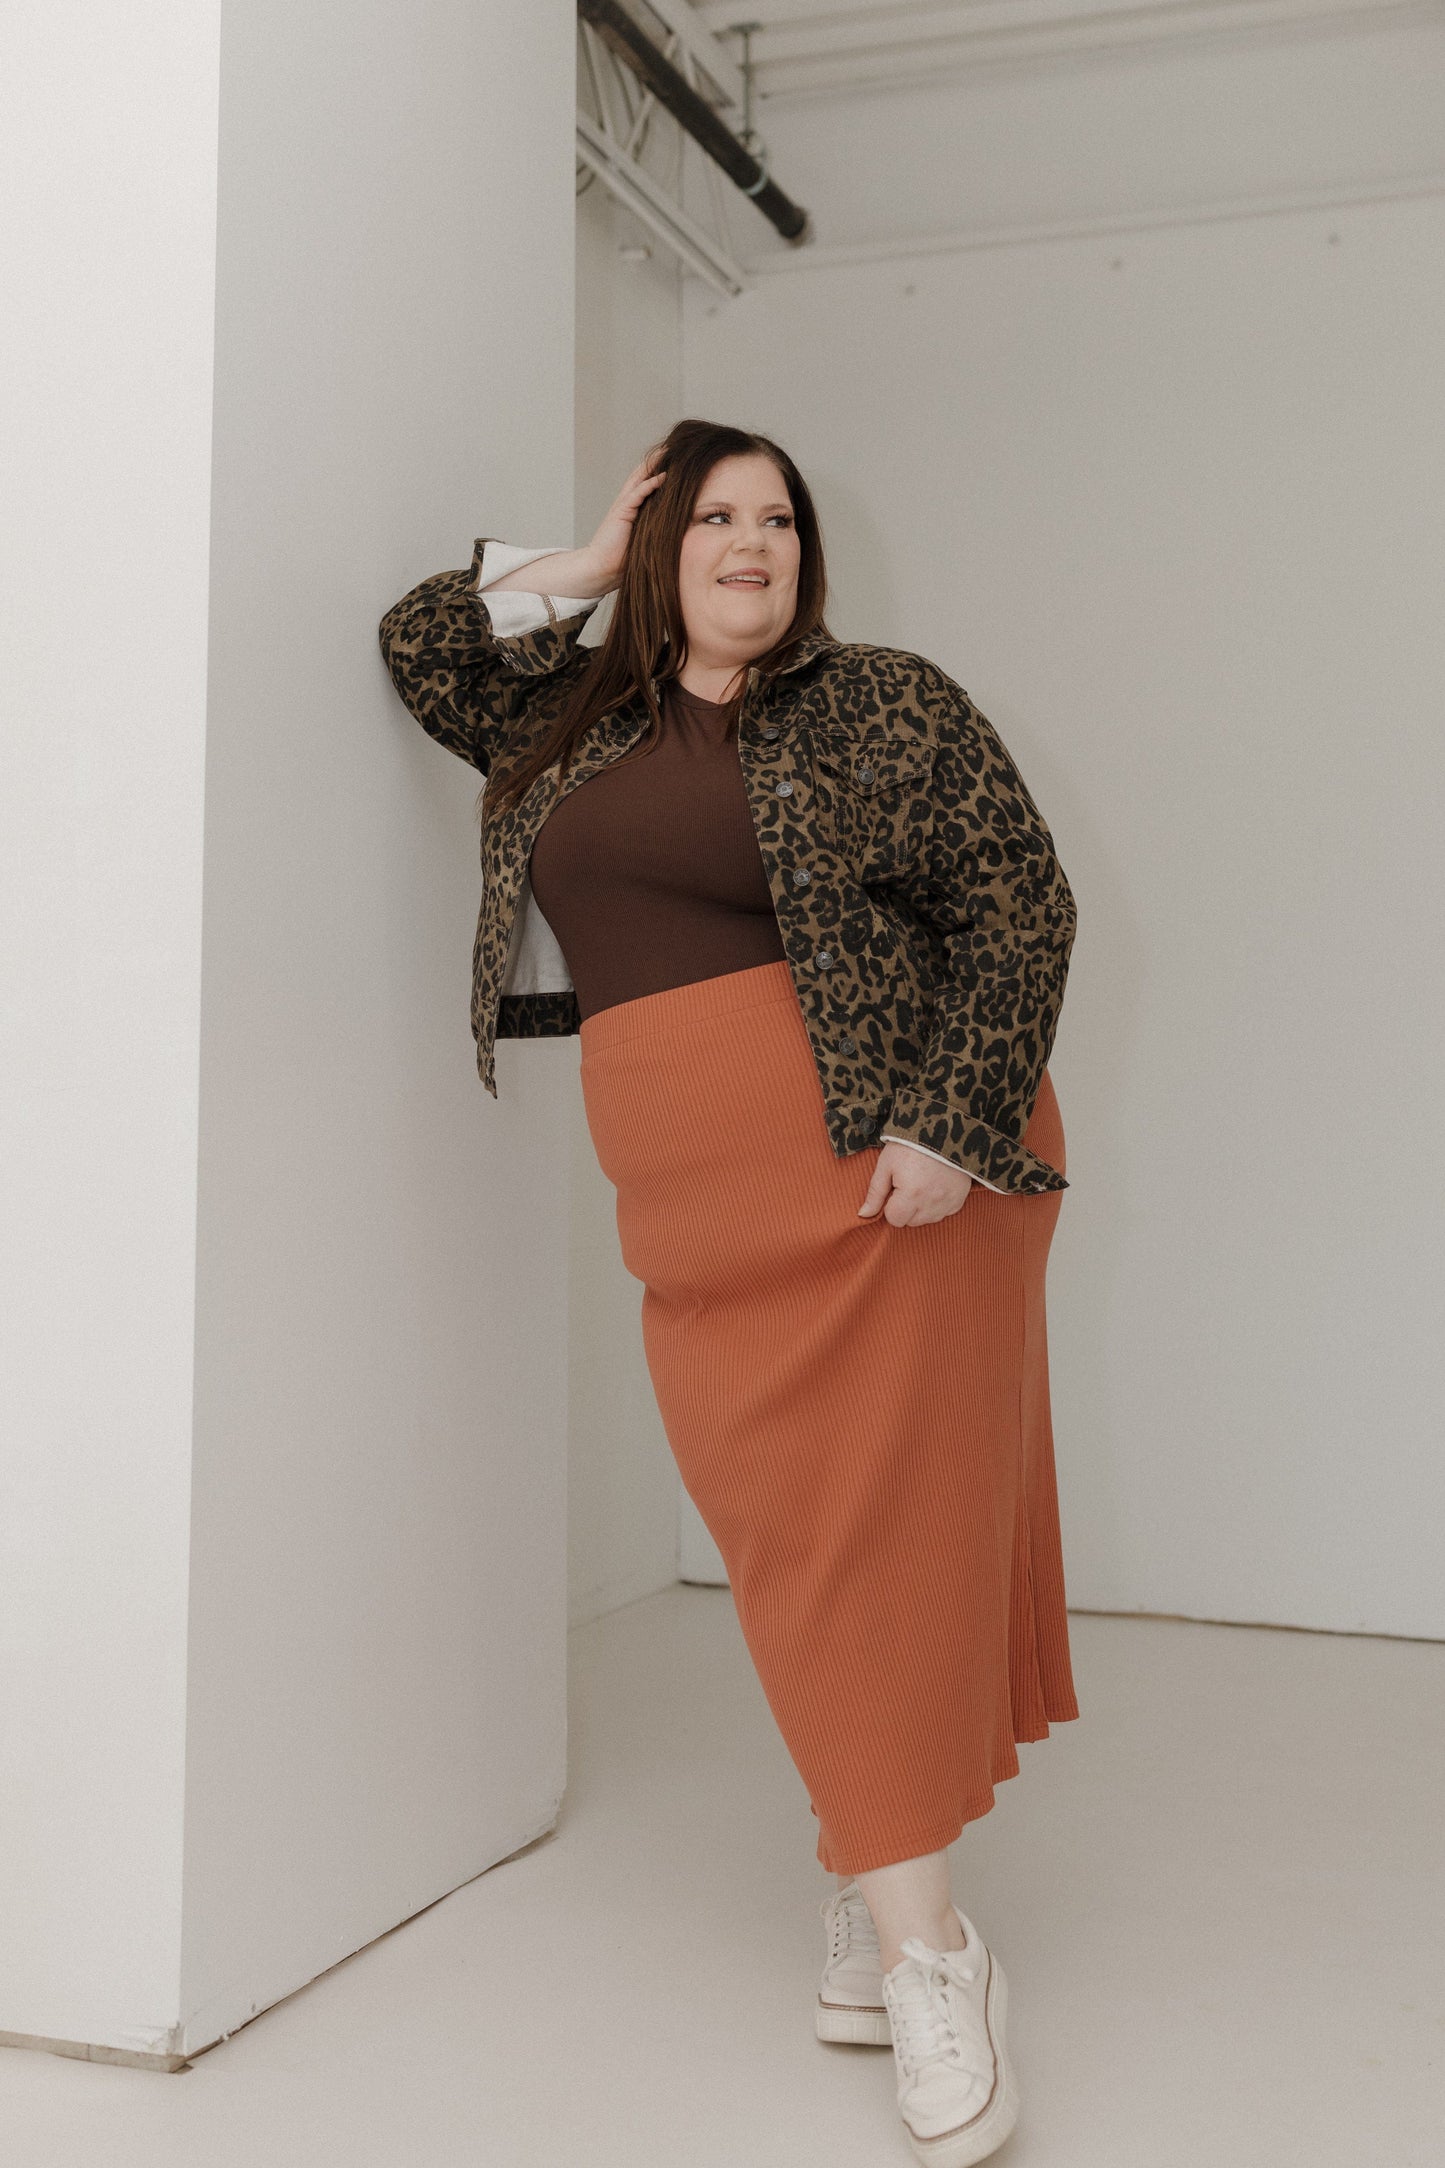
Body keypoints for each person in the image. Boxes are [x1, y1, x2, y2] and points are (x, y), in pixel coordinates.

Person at [378, 418, 1080, 2168]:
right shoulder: (572, 720)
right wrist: (575, 567)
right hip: (692, 1210)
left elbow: (1022, 905)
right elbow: (418, 640)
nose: (750, 542)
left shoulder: (883, 701)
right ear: (663, 537)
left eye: (778, 518)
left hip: (895, 1180)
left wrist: (948, 1121)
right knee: (787, 1549)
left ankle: (925, 1949)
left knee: (886, 1541)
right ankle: (870, 1848)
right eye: (713, 517)